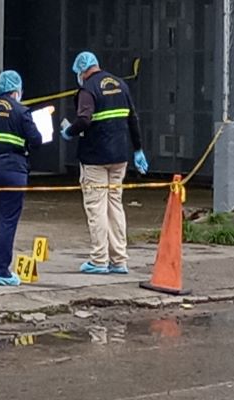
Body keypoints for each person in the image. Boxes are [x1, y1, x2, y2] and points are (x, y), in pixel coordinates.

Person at [60, 51, 149, 275]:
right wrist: (138, 149)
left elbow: (84, 119)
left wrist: (69, 132)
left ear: (82, 71)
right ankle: (119, 260)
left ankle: (99, 259)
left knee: (97, 207)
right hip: (119, 157)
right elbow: (133, 118)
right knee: (115, 206)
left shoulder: (88, 89)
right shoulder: (120, 85)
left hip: (95, 158)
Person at [0, 70, 44, 286]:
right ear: (16, 91)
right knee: (7, 220)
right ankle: (2, 270)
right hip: (12, 170)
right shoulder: (22, 112)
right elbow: (36, 140)